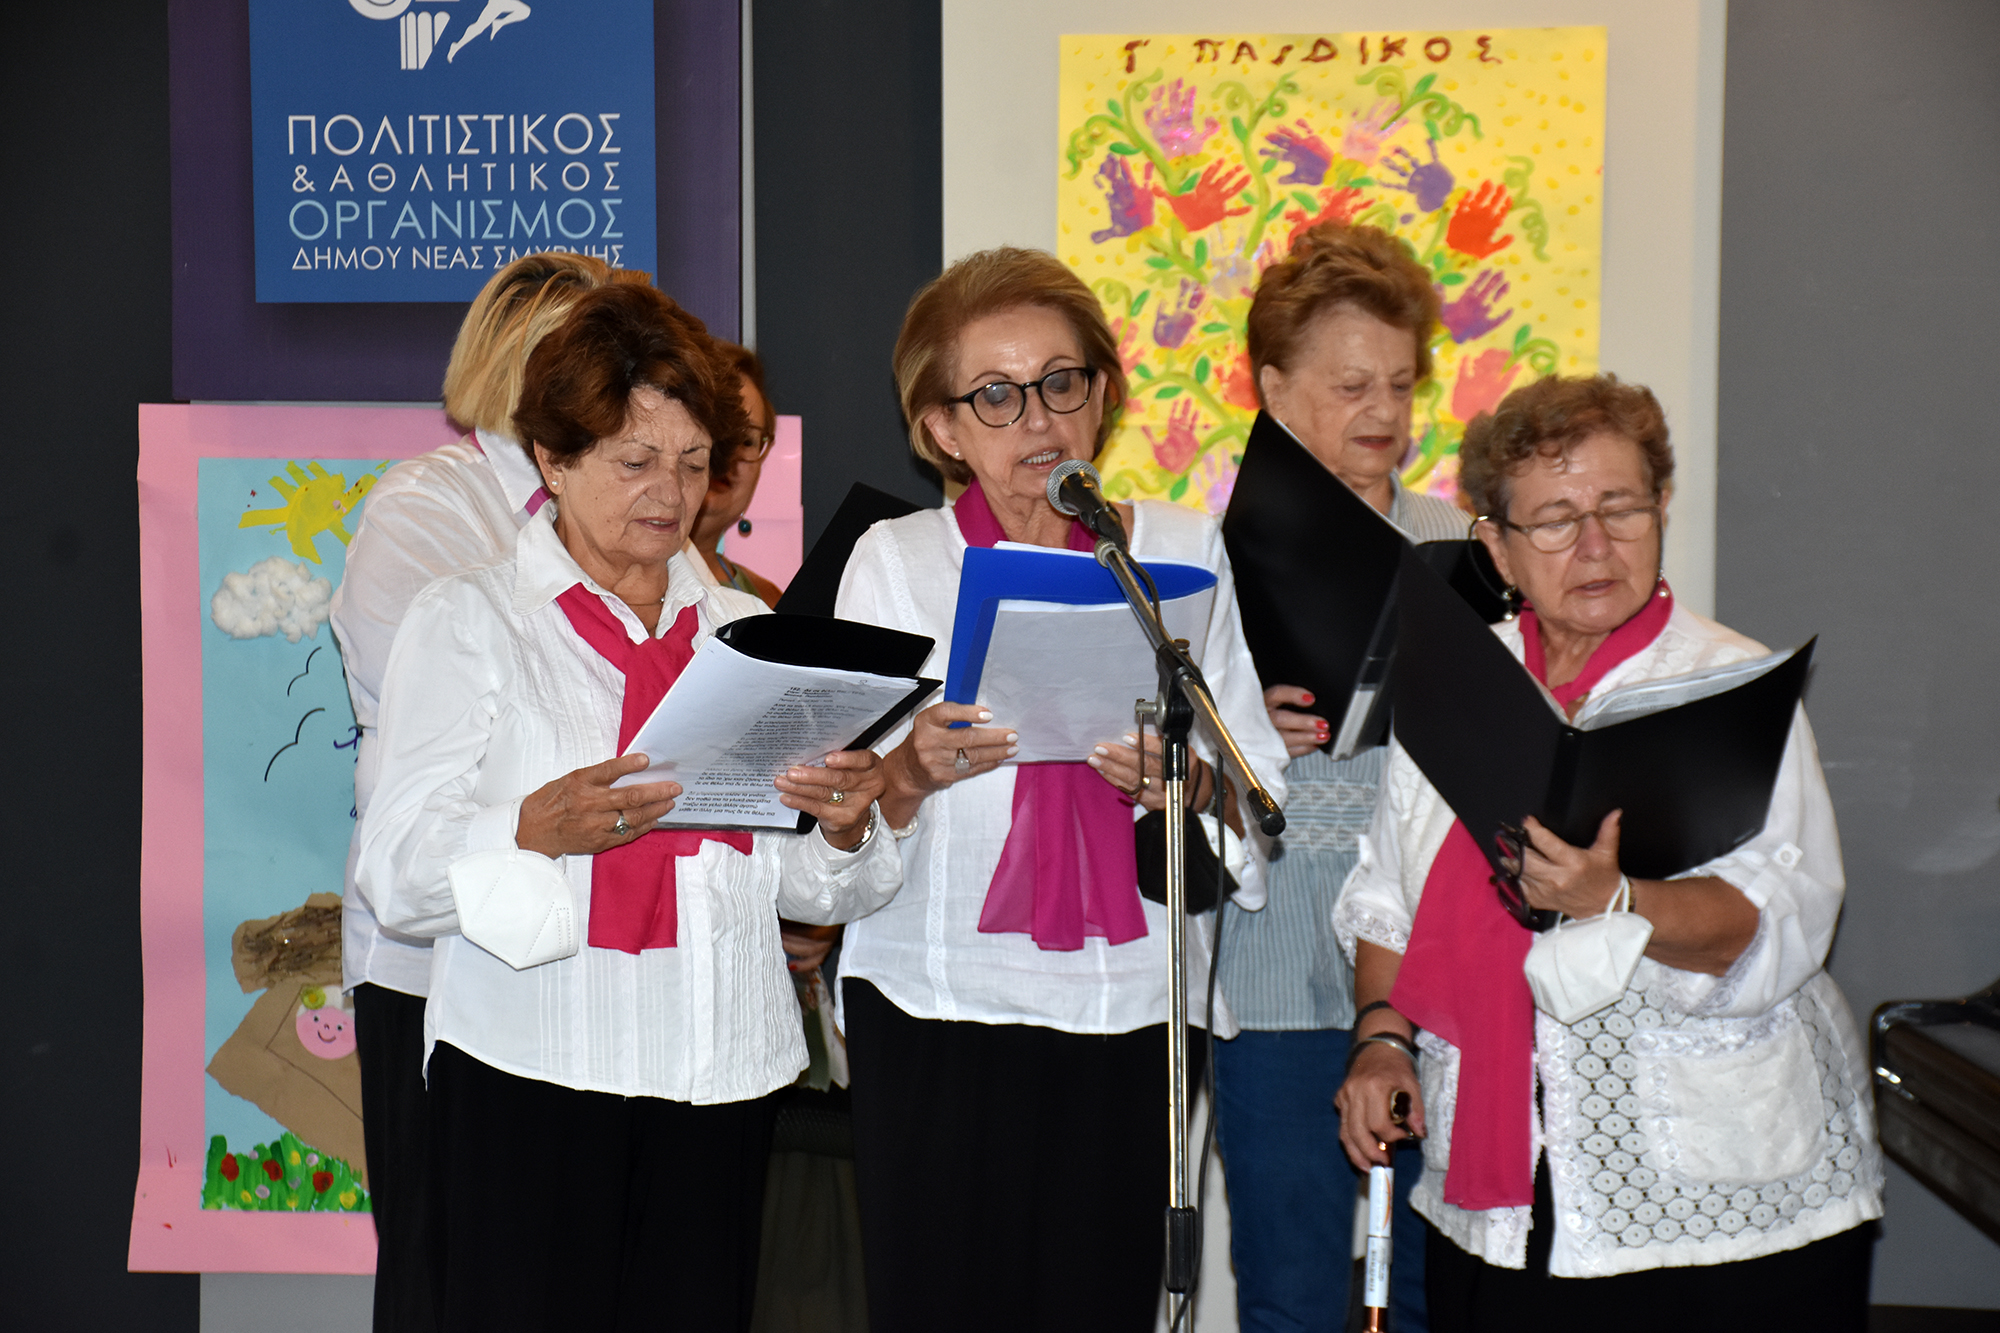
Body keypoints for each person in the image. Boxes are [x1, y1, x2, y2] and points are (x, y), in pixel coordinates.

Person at [355, 284, 903, 1332]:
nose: (672, 492)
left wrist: (842, 825)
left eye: (694, 463)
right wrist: (529, 829)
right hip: (530, 1073)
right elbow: (396, 872)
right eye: (636, 460)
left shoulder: (746, 627)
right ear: (553, 459)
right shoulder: (470, 620)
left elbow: (794, 884)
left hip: (720, 1075)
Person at [1332, 374, 1883, 1332]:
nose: (1595, 545)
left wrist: (1618, 898)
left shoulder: (1729, 684)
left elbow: (1786, 919)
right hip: (1496, 1196)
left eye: (1620, 506)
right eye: (1555, 519)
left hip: (1715, 1205)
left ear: (1661, 506)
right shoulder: (1457, 681)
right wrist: (1382, 1041)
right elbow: (1386, 898)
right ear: (1496, 547)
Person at [832, 247, 1288, 1332]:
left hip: (1133, 1004)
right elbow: (833, 813)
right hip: (937, 1003)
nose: (1036, 417)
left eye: (1059, 381)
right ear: (941, 428)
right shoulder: (896, 563)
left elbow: (1256, 783)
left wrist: (1189, 785)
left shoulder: (1180, 550)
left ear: (1102, 392)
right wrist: (909, 771)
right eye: (994, 395)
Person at [330, 251, 646, 1333]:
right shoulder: (428, 509)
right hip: (437, 959)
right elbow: (485, 737)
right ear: (531, 365)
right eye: (606, 358)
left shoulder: (619, 507)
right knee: (447, 1277)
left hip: (585, 963)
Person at [1219, 220, 1463, 1332]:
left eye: (1400, 385)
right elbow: (1165, 775)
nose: (1384, 411)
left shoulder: (1461, 546)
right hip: (1272, 972)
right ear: (1273, 388)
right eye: (1351, 385)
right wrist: (1240, 730)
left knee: (1431, 1290)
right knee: (1294, 1292)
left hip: (1435, 972)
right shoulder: (1211, 561)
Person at [687, 342, 786, 608]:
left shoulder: (770, 601)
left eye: (746, 440)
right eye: (716, 431)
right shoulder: (621, 587)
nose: (728, 456)